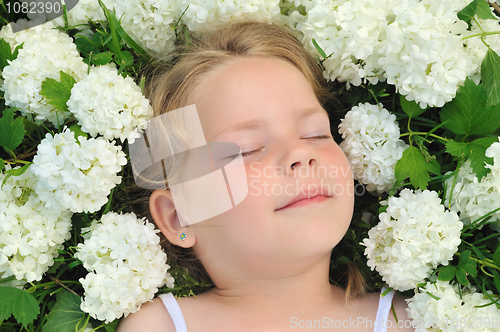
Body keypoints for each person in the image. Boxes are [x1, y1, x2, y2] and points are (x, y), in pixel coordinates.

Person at [117, 20, 414, 332]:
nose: (299, 153)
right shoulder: (160, 326)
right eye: (247, 149)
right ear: (180, 216)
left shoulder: (405, 320)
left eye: (315, 134)